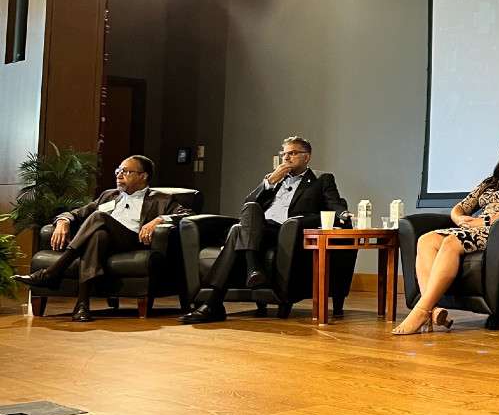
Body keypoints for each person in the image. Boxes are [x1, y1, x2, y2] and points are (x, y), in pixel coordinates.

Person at [393, 133, 499, 335]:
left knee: (450, 243)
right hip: (473, 228)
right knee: (426, 240)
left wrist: (482, 221)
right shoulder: (491, 182)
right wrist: (459, 219)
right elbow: (461, 206)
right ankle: (433, 309)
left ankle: (421, 310)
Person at [181, 135, 346, 324]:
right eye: (284, 154)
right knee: (249, 211)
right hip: (261, 230)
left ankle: (213, 304)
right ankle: (250, 273)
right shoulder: (275, 180)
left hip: (285, 233)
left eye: (292, 153)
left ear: (306, 157)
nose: (286, 158)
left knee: (236, 231)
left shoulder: (321, 179)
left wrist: (343, 215)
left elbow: (334, 203)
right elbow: (248, 204)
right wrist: (269, 182)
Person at [15, 155, 189, 322]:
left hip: (134, 242)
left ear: (143, 176)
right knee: (99, 235)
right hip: (107, 241)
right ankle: (82, 306)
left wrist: (158, 220)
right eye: (118, 171)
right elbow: (78, 212)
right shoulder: (109, 195)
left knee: (99, 217)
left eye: (126, 171)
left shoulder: (161, 199)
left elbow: (187, 215)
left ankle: (52, 272)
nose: (119, 175)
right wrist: (63, 221)